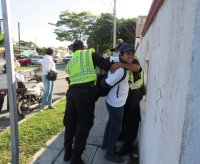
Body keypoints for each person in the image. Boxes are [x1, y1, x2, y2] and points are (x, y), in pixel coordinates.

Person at [63, 40, 113, 164]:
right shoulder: (89, 53)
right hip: (85, 94)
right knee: (83, 126)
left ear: (74, 50)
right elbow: (106, 65)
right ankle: (76, 158)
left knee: (70, 124)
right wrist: (100, 72)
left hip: (71, 94)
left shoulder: (71, 59)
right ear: (84, 47)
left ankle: (67, 152)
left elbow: (71, 72)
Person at [101, 43, 135, 163]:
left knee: (111, 123)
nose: (130, 56)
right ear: (121, 54)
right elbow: (105, 84)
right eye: (127, 54)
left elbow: (107, 59)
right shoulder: (121, 70)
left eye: (132, 53)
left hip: (112, 100)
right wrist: (104, 75)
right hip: (116, 104)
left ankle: (105, 144)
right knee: (116, 129)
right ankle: (110, 153)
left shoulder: (117, 60)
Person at [110, 51, 143, 157]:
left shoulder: (133, 60)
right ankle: (123, 136)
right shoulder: (119, 60)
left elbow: (137, 68)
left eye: (118, 51)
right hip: (126, 94)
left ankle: (128, 145)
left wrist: (120, 64)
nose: (116, 53)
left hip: (134, 93)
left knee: (131, 121)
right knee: (124, 118)